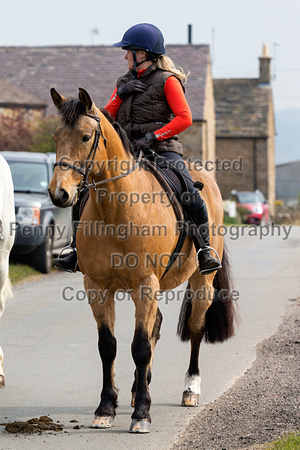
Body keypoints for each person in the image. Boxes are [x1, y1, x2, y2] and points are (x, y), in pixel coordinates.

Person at [53, 23, 221, 275]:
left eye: (128, 51)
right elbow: (105, 118)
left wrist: (153, 136)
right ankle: (76, 250)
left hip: (163, 149)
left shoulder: (168, 81)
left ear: (142, 53)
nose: (125, 55)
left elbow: (184, 118)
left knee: (189, 190)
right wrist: (120, 93)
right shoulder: (125, 81)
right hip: (128, 150)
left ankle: (204, 249)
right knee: (87, 191)